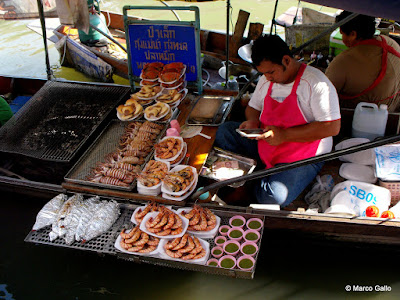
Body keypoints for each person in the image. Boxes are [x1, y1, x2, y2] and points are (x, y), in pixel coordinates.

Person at [214, 34, 341, 207]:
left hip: (303, 154)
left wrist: (285, 135)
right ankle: (250, 177)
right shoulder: (268, 79)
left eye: (271, 72)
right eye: (263, 73)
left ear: (287, 60)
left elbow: (331, 127)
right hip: (268, 142)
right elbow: (253, 108)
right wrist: (252, 121)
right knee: (225, 131)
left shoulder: (316, 83)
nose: (267, 78)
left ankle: (251, 180)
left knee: (274, 198)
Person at [325, 11, 400, 112]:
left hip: (361, 117)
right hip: (392, 110)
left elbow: (323, 95)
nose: (342, 38)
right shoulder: (392, 44)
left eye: (342, 34)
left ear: (353, 34)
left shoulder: (343, 61)